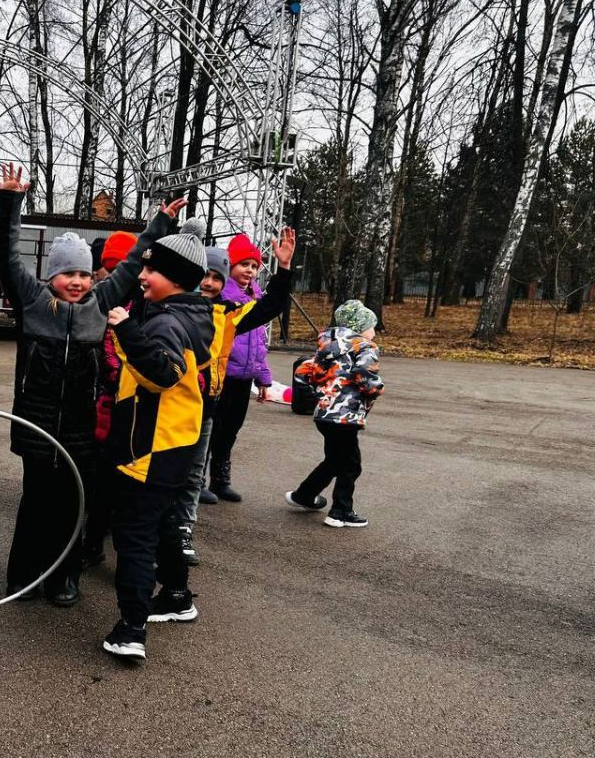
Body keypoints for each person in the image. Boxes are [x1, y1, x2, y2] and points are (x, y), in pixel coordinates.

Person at [0, 161, 182, 607]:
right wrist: (9, 202)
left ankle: (63, 577)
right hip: (36, 424)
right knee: (35, 501)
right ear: (51, 276)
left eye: (82, 274)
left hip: (80, 428)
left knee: (70, 505)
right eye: (66, 274)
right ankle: (22, 576)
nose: (76, 282)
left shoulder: (102, 302)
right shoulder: (33, 302)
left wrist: (158, 224)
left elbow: (135, 260)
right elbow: (7, 254)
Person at [102, 228, 297, 659]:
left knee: (134, 535)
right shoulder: (195, 315)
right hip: (180, 440)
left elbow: (162, 373)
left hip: (152, 445)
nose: (142, 275)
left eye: (151, 269)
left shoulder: (176, 320)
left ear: (174, 276)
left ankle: (131, 629)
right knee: (168, 521)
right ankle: (175, 594)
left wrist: (128, 331)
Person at [285, 299, 384, 528]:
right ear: (360, 326)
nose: (374, 331)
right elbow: (364, 373)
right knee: (351, 464)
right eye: (372, 326)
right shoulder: (365, 347)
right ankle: (341, 511)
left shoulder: (326, 345)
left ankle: (304, 495)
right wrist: (375, 389)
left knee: (334, 460)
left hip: (325, 414)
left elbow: (304, 370)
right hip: (345, 416)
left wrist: (315, 396)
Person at [83, 230, 140, 569]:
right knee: (101, 482)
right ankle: (92, 541)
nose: (112, 274)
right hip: (104, 403)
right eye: (108, 267)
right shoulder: (99, 302)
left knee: (122, 483)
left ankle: (110, 540)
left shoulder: (141, 304)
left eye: (119, 267)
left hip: (127, 405)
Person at [205, 233, 272, 503]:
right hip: (223, 377)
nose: (250, 270)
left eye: (254, 266)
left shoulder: (256, 298)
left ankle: (221, 479)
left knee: (231, 429)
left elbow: (259, 345)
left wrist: (263, 378)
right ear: (230, 266)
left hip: (244, 379)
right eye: (244, 264)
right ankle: (197, 480)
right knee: (212, 429)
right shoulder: (224, 298)